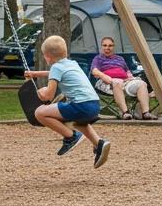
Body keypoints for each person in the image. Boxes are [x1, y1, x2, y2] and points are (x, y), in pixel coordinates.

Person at [24, 35, 110, 168]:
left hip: (80, 106)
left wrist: (41, 92)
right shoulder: (71, 63)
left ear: (47, 56)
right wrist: (36, 74)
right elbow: (55, 72)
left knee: (40, 113)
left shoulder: (56, 68)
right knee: (79, 122)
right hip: (94, 105)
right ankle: (99, 143)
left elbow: (48, 96)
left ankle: (70, 137)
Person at [89, 36, 156, 120]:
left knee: (141, 84)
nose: (107, 48)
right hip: (106, 82)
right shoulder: (98, 58)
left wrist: (130, 78)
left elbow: (127, 71)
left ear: (113, 47)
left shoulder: (120, 59)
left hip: (124, 81)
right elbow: (94, 71)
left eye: (110, 45)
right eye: (105, 45)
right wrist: (104, 76)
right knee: (117, 82)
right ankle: (125, 113)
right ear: (102, 47)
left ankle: (145, 113)